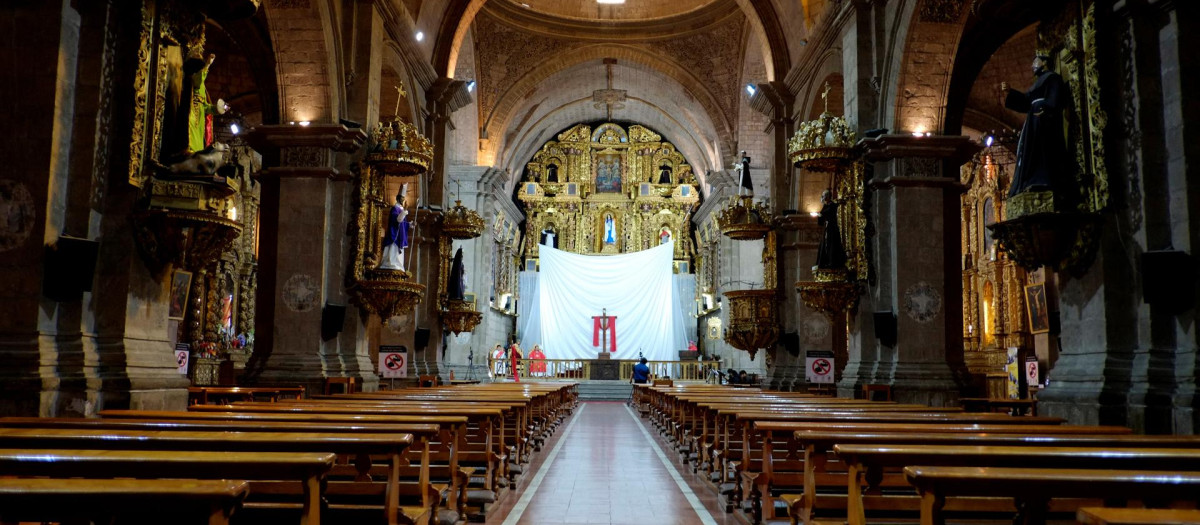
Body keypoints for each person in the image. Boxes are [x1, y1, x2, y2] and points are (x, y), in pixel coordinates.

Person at [1001, 54, 1077, 207]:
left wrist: (1045, 110)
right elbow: (1026, 101)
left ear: (1045, 62)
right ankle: (1031, 180)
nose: (1032, 66)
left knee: (1043, 149)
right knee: (1031, 150)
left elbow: (1054, 99)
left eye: (1035, 62)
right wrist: (1010, 92)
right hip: (1034, 120)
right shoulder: (1038, 83)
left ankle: (1043, 180)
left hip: (1044, 120)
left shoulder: (1052, 78)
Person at [815, 189, 848, 270]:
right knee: (825, 245)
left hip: (832, 228)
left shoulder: (833, 205)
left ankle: (832, 262)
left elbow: (828, 213)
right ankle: (825, 262)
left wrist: (821, 214)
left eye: (823, 196)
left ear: (827, 197)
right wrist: (820, 216)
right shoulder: (825, 206)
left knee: (831, 244)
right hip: (827, 228)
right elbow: (821, 220)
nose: (822, 198)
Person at [379, 187, 410, 271]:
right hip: (395, 233)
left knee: (399, 253)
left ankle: (398, 264)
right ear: (398, 198)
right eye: (401, 198)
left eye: (403, 198)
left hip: (400, 234)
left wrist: (410, 224)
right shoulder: (395, 208)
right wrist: (405, 210)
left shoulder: (401, 209)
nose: (403, 200)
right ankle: (390, 263)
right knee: (393, 249)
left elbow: (403, 223)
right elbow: (398, 220)